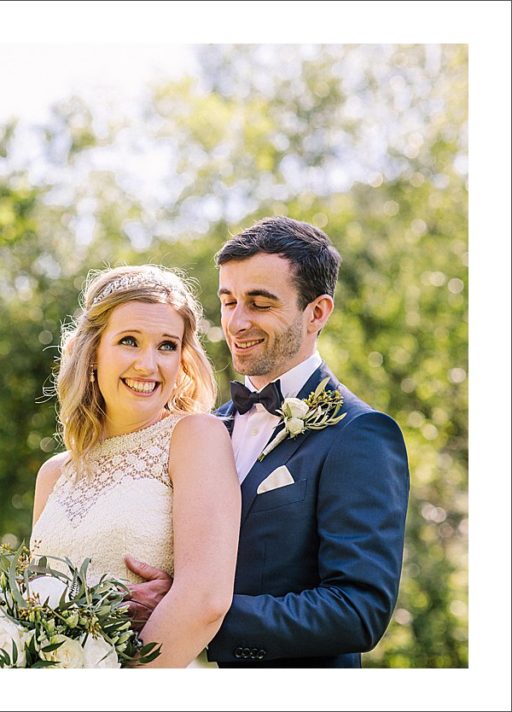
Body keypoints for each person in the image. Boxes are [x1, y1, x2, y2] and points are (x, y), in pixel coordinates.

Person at [127, 216, 411, 667]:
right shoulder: (205, 430)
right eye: (228, 301)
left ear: (316, 312)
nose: (236, 322)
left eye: (259, 304)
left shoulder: (360, 435)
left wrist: (198, 612)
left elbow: (359, 610)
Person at [30, 264, 240, 668]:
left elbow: (206, 600)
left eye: (166, 345)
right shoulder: (53, 474)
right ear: (92, 353)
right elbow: (30, 606)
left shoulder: (196, 437)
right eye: (129, 341)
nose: (148, 364)